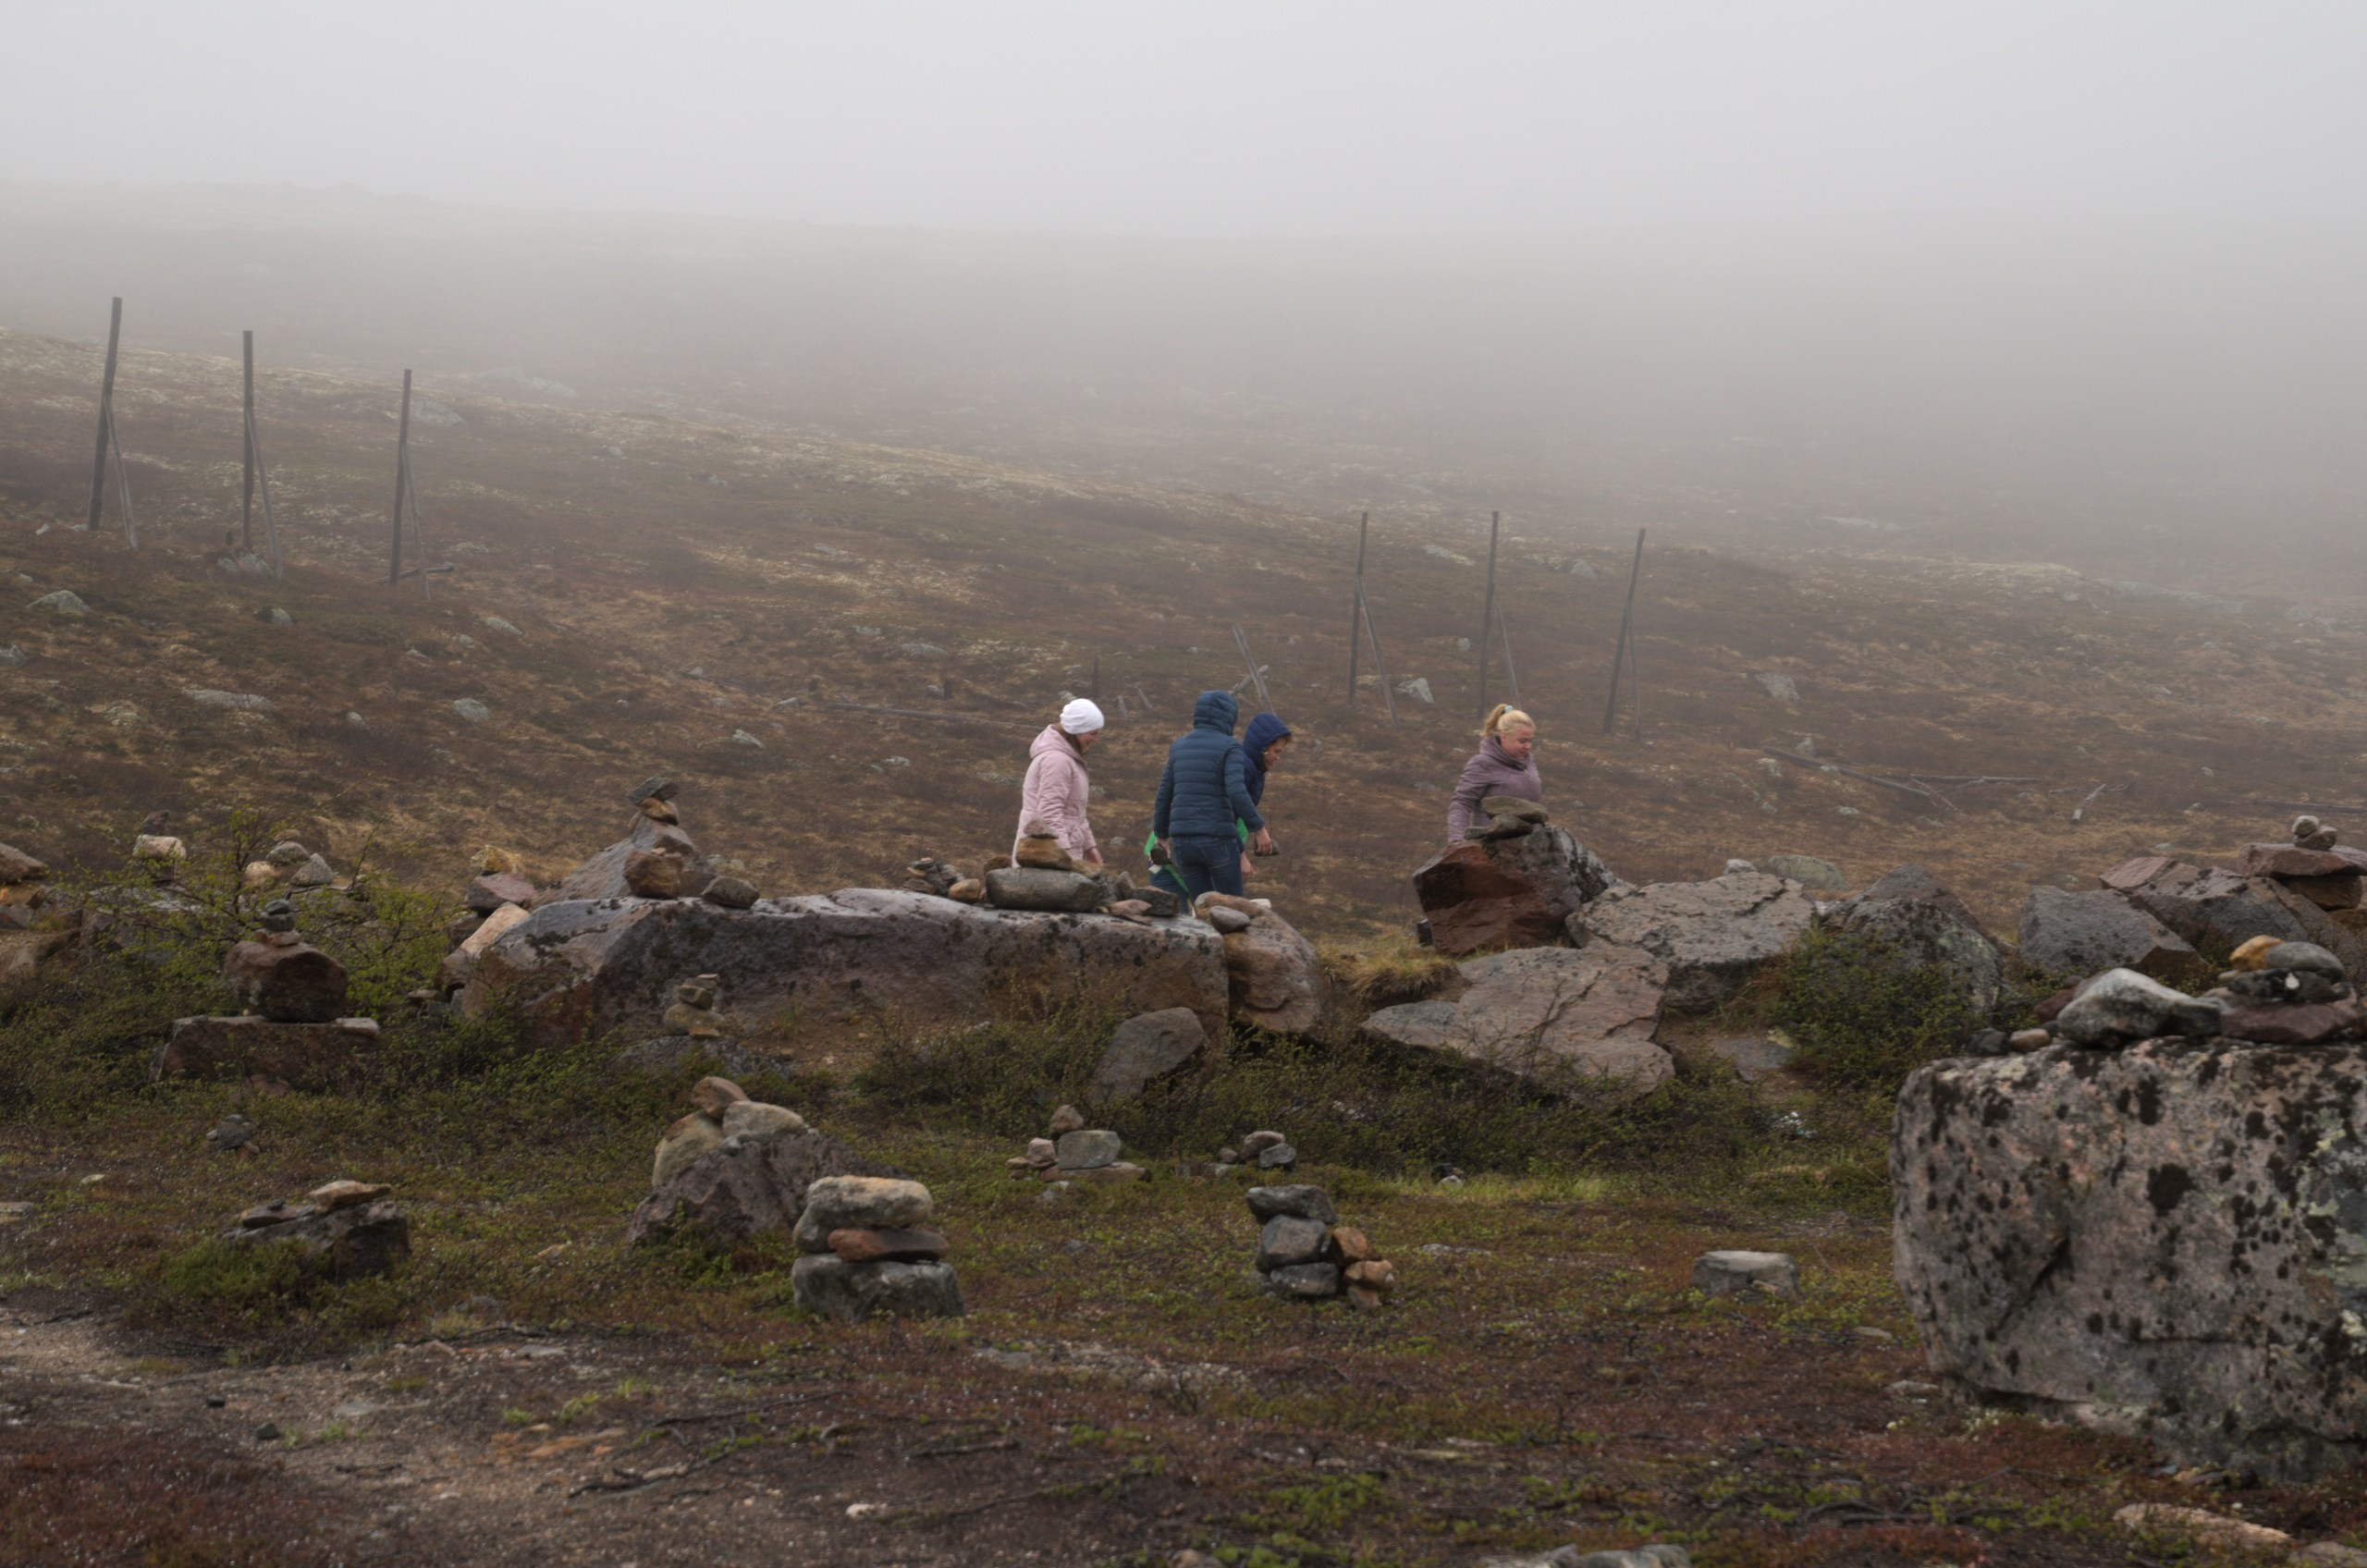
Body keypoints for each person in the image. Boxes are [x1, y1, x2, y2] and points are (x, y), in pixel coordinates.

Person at [1145, 707, 1293, 893]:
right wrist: (1241, 852)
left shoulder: (1252, 769)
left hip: (1176, 840)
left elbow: (1165, 794)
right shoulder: (1243, 768)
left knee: (1205, 909)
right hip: (1177, 848)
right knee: (1225, 908)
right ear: (1263, 748)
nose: (1278, 758)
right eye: (1276, 751)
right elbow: (1229, 811)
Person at [1016, 697, 1104, 866]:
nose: (1096, 739)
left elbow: (1074, 812)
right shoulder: (1057, 761)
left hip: (1056, 852)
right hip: (1045, 856)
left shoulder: (1068, 759)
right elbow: (1049, 813)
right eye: (1093, 733)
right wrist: (1065, 856)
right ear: (1077, 731)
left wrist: (1089, 846)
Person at [1446, 704, 1541, 842]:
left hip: (1531, 847)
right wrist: (1457, 841)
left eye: (1530, 741)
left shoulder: (1529, 761)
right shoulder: (1482, 764)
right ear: (1504, 737)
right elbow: (1461, 803)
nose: (1528, 746)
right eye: (1522, 741)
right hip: (1492, 847)